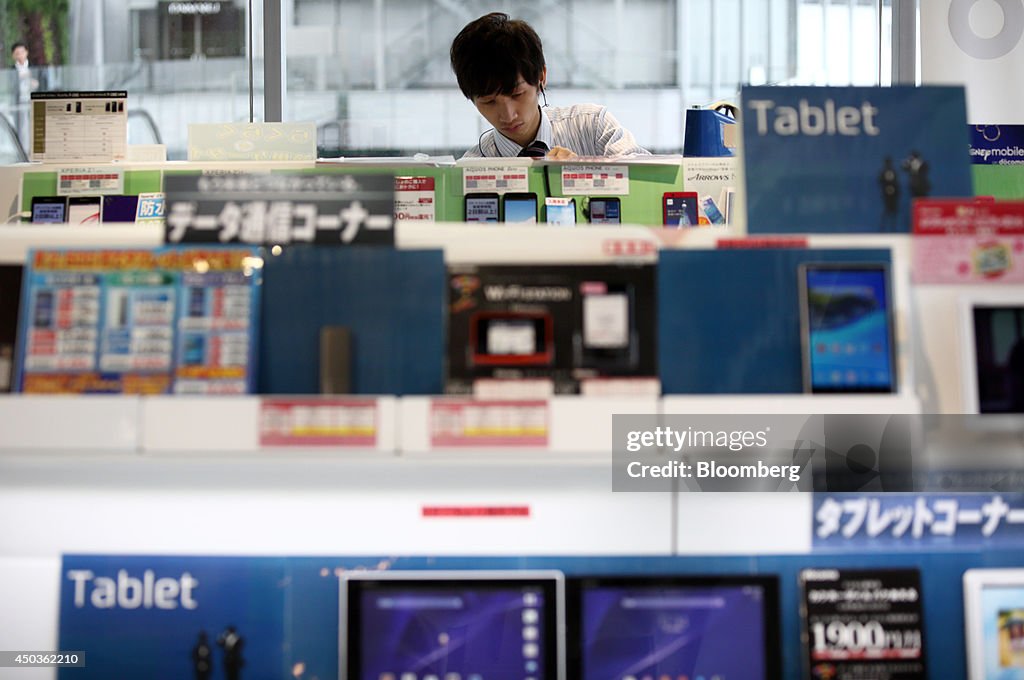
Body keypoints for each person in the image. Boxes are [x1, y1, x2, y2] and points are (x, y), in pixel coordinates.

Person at [450, 12, 649, 159]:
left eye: (517, 94)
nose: (508, 115)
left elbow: (651, 181)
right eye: (489, 102)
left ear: (541, 76)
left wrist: (587, 168)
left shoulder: (592, 126)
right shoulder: (471, 168)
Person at [11, 42, 39, 149]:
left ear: (26, 52)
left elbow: (41, 82)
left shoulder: (34, 67)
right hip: (18, 100)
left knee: (33, 125)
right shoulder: (11, 70)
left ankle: (33, 148)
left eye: (22, 52)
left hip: (31, 100)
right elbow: (10, 86)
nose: (20, 55)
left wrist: (35, 83)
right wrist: (19, 78)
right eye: (17, 53)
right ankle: (21, 149)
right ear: (13, 55)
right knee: (19, 127)